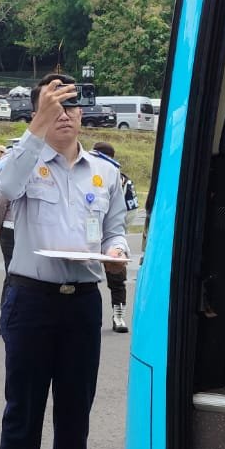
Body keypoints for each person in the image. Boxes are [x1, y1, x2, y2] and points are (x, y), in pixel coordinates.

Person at [0, 72, 130, 449]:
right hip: (32, 299)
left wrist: (115, 250)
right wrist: (37, 127)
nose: (66, 115)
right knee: (24, 412)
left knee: (75, 413)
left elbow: (116, 228)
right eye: (55, 107)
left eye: (73, 106)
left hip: (81, 302)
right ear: (39, 112)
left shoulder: (104, 172)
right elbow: (5, 187)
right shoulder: (24, 162)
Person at [90, 141, 139, 333]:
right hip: (88, 236)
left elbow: (131, 210)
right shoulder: (82, 173)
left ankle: (118, 315)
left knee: (117, 277)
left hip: (110, 238)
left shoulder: (121, 179)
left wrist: (118, 233)